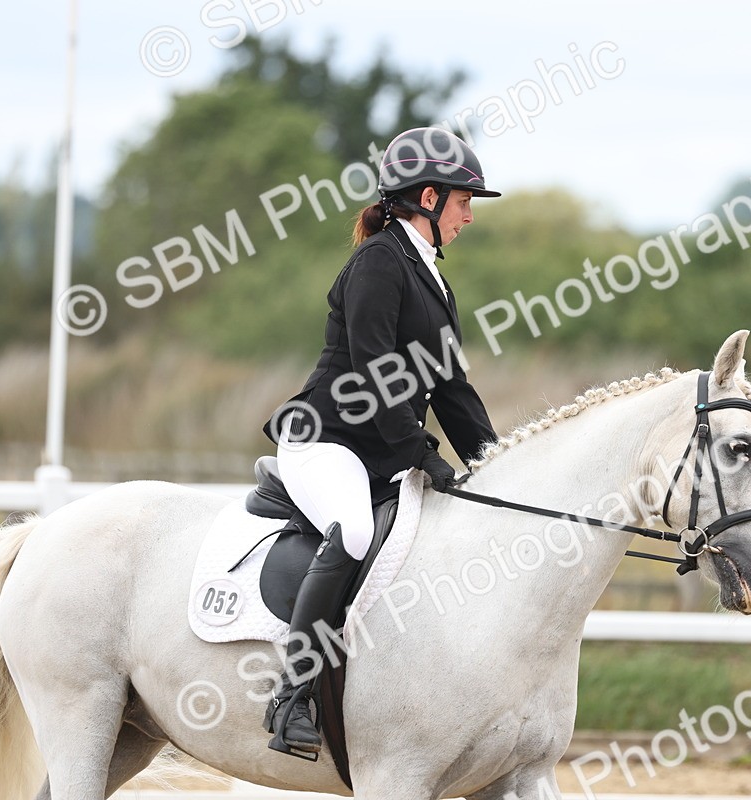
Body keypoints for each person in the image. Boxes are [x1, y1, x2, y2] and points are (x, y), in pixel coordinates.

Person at [260, 127, 501, 754]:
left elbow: (450, 387)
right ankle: (291, 693)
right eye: (464, 202)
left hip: (376, 450)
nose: (469, 217)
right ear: (428, 197)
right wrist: (422, 452)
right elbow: (374, 371)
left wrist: (497, 464)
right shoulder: (378, 264)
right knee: (357, 533)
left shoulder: (431, 279)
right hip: (326, 441)